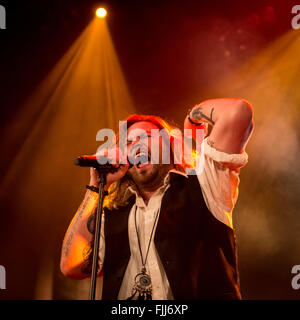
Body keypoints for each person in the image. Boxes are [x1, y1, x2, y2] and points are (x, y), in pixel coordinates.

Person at [60, 98, 254, 300]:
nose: (136, 145)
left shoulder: (206, 185)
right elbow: (71, 266)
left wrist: (193, 117)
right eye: (128, 142)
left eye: (145, 137)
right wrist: (96, 189)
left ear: (170, 145)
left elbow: (238, 112)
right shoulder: (111, 214)